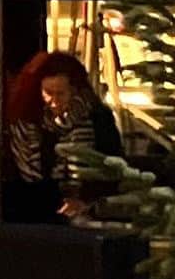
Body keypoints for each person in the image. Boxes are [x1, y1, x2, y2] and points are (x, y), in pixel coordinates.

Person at [7, 52, 124, 221]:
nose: (54, 101)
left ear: (74, 91)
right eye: (48, 93)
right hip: (36, 211)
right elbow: (23, 174)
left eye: (61, 94)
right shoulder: (28, 122)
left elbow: (113, 166)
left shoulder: (97, 118)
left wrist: (86, 200)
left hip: (89, 212)